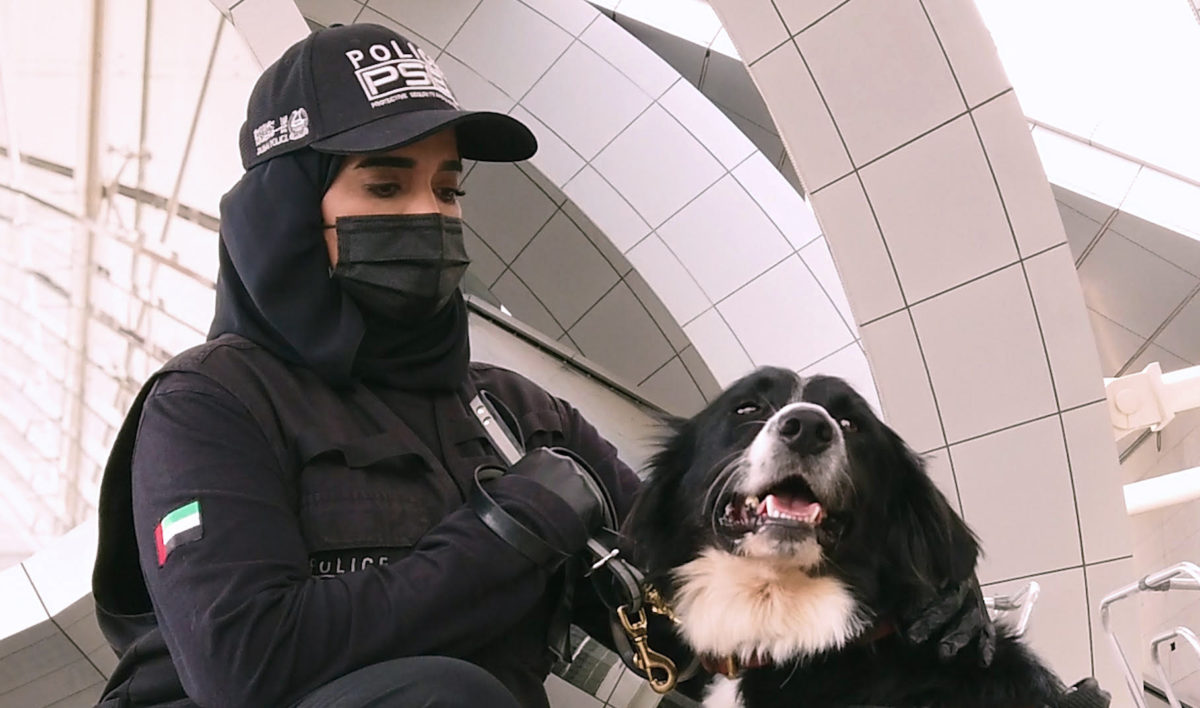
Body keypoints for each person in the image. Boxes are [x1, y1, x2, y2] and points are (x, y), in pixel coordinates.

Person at [90, 22, 994, 708]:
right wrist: (500, 535)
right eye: (385, 184)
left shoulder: (517, 418)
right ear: (288, 211)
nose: (429, 215)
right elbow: (242, 664)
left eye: (447, 190)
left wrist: (911, 602)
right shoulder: (208, 406)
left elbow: (702, 608)